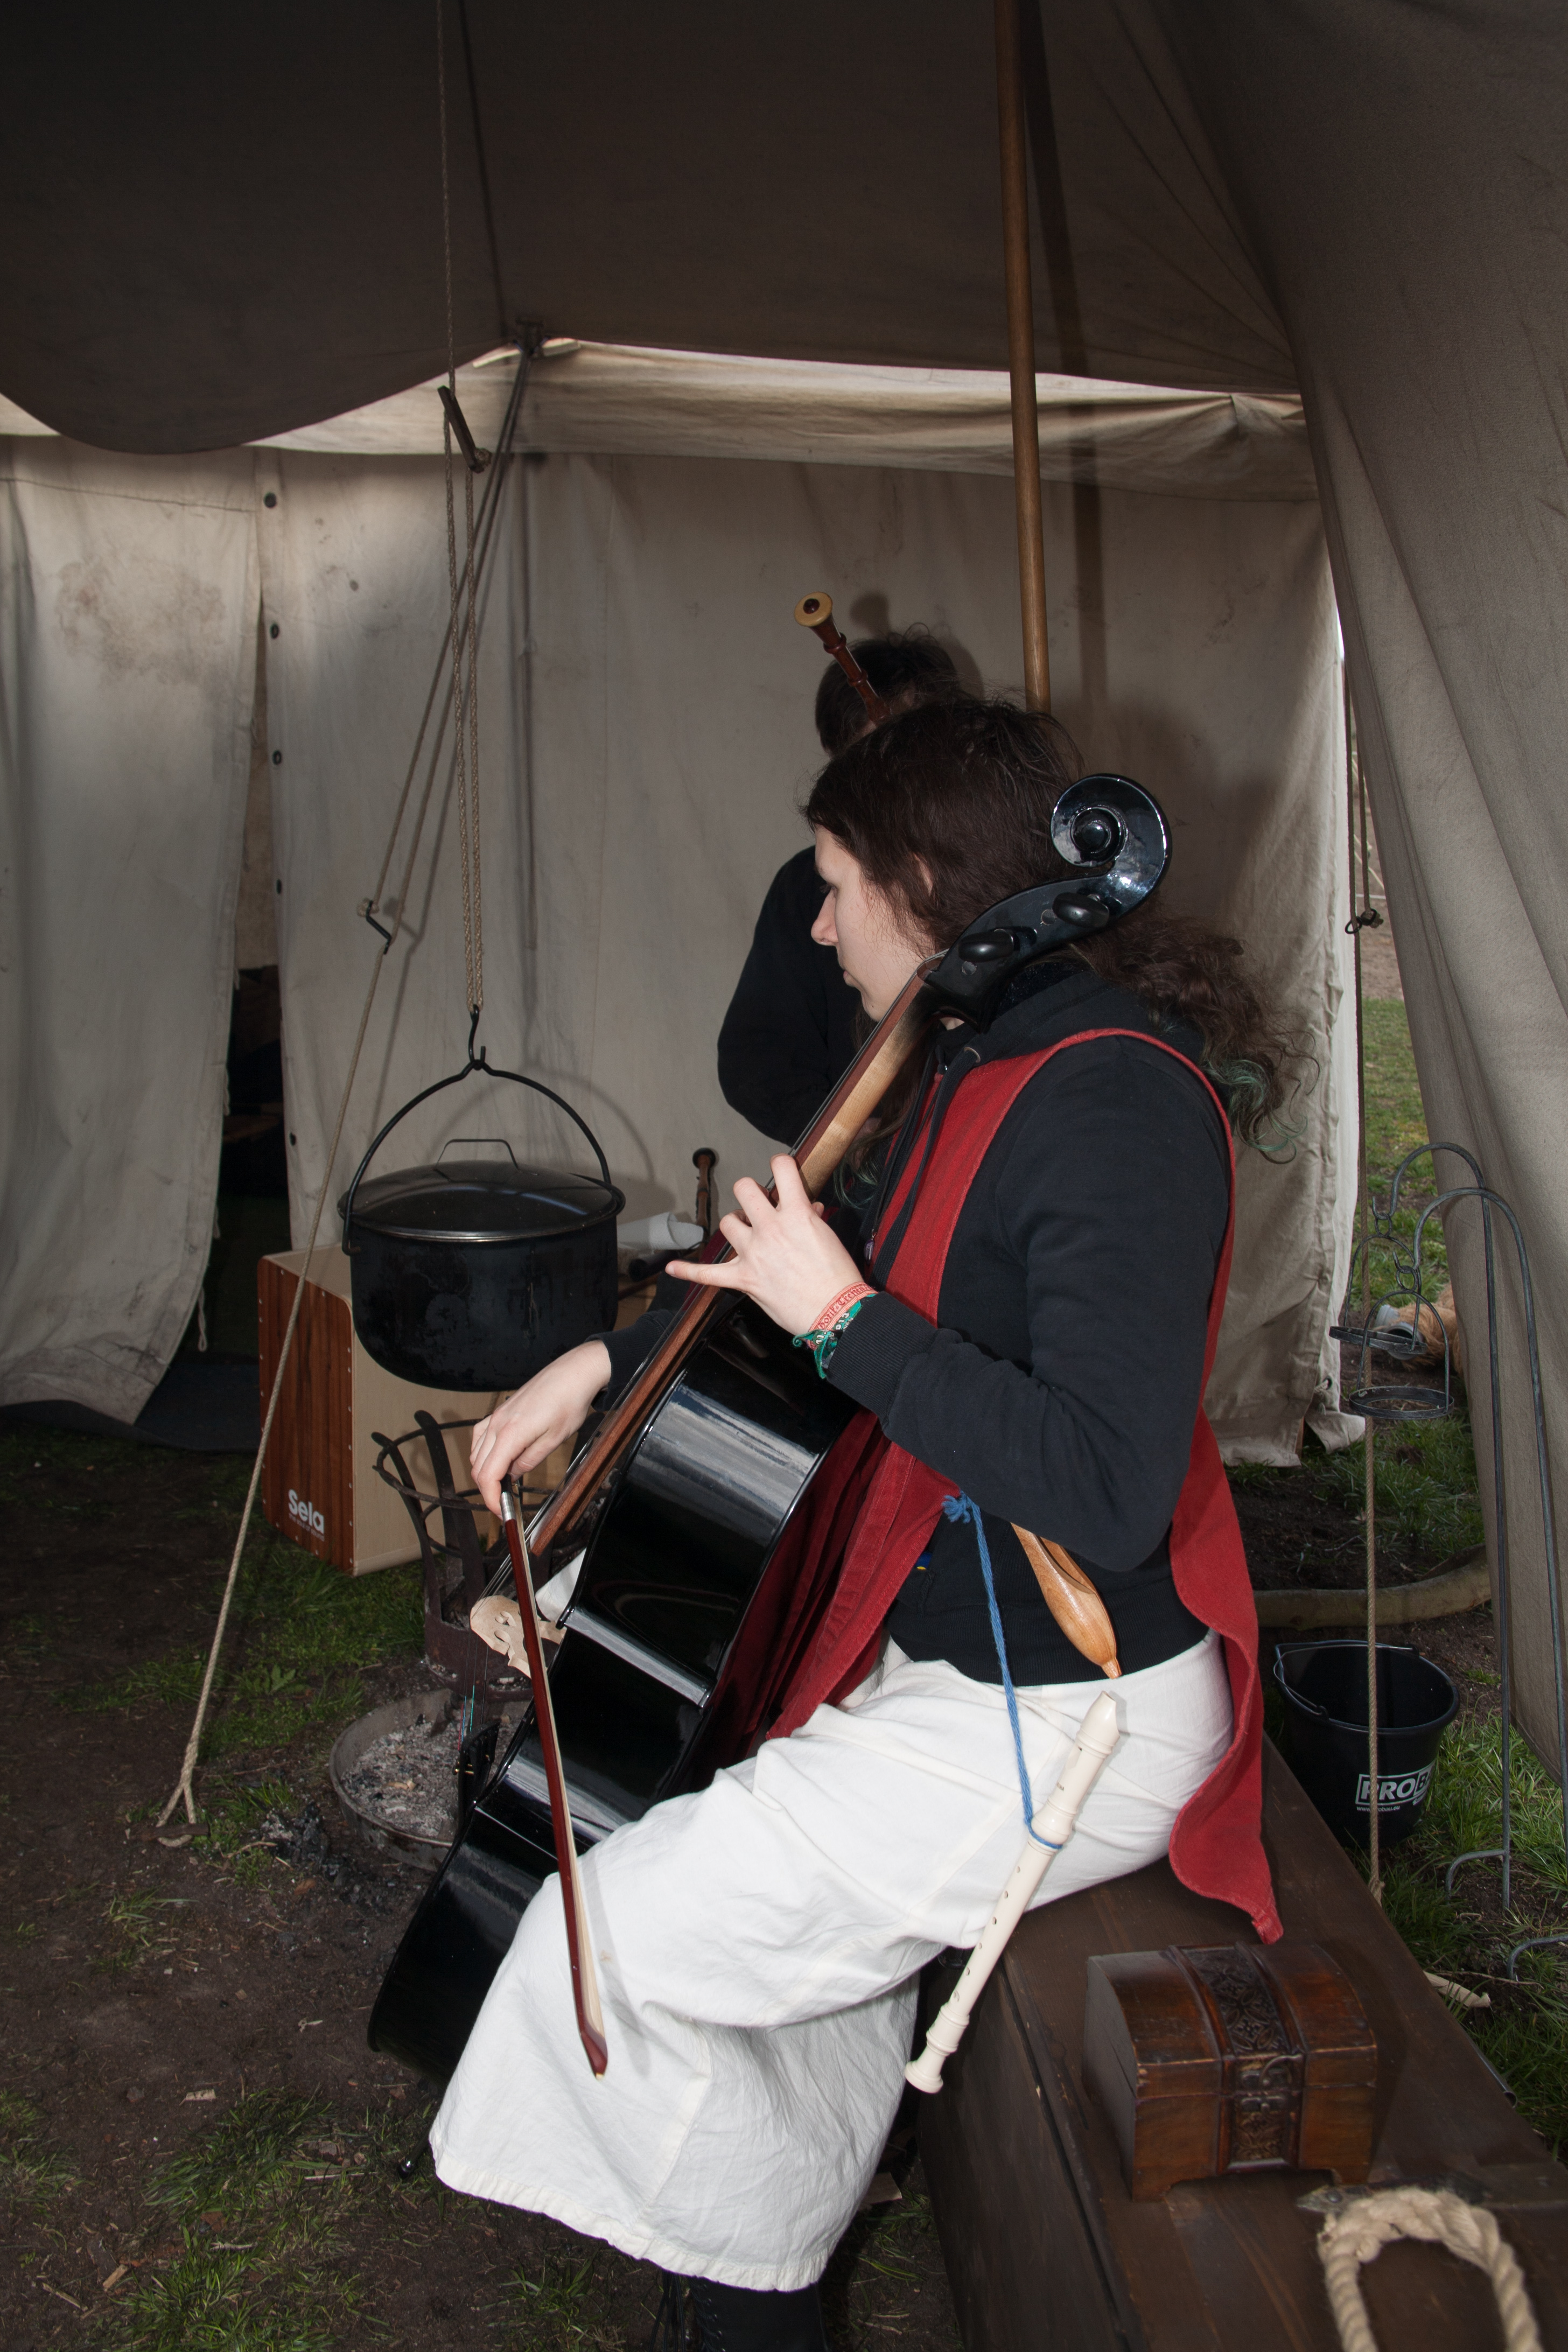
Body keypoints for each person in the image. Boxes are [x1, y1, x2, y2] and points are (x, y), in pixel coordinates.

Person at [442, 698, 1290, 2351]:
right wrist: (595, 1360)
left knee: (602, 1943)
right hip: (958, 1669)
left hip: (1075, 1710)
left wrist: (846, 1323)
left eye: (832, 885)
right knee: (742, 1952)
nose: (818, 928)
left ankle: (750, 2309)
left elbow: (1106, 1485)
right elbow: (807, 1270)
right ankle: (753, 2285)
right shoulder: (978, 1050)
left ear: (922, 877)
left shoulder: (1113, 1103)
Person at [716, 629, 961, 1143]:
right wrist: (846, 1135)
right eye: (859, 758)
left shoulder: (983, 875)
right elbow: (757, 1054)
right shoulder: (805, 887)